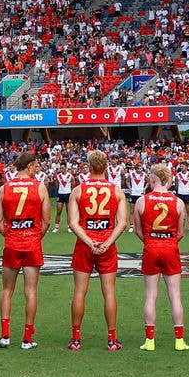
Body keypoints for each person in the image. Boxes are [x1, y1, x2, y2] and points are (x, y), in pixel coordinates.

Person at [67, 149, 127, 351]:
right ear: (106, 167)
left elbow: (73, 223)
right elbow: (122, 223)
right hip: (107, 245)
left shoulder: (78, 190)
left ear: (89, 167)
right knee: (109, 291)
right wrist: (107, 243)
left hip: (84, 245)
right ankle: (112, 339)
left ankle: (76, 339)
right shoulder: (116, 190)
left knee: (79, 291)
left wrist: (89, 242)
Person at [0, 153, 47, 349]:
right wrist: (33, 237)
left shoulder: (4, 188)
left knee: (7, 290)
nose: (37, 169)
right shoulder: (39, 187)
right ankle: (27, 338)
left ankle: (5, 335)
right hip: (32, 245)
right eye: (35, 166)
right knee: (31, 291)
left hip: (12, 244)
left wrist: (11, 236)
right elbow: (46, 221)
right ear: (30, 166)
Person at [136, 163, 188, 351]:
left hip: (151, 248)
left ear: (152, 179)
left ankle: (150, 341)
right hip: (170, 249)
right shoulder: (178, 202)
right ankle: (179, 341)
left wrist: (151, 241)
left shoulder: (142, 201)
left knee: (151, 296)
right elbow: (181, 232)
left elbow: (138, 231)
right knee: (175, 295)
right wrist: (169, 241)